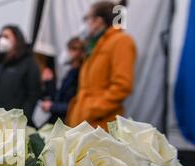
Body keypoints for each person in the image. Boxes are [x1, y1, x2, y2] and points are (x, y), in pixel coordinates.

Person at [66, 0, 135, 130]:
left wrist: (92, 109)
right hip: (84, 124)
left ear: (98, 21)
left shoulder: (121, 41)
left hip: (100, 126)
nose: (86, 24)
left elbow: (122, 86)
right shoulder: (96, 44)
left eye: (87, 18)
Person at [0, 25, 41, 127]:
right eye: (1, 36)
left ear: (17, 40)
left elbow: (33, 95)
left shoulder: (28, 64)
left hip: (13, 125)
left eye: (6, 36)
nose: (2, 39)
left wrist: (22, 119)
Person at [41, 37, 85, 124]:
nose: (67, 53)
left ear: (79, 53)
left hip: (68, 122)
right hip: (59, 120)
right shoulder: (70, 72)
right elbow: (59, 96)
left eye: (71, 50)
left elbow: (75, 105)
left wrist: (53, 106)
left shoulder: (80, 75)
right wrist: (49, 82)